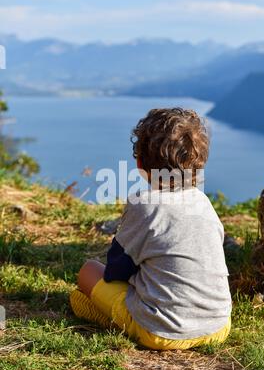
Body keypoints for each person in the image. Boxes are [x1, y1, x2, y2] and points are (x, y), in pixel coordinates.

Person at [70, 108, 232, 350]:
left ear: (139, 162)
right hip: (219, 327)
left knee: (88, 272)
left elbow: (115, 271)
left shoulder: (144, 205)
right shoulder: (203, 202)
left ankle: (110, 319)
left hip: (163, 332)